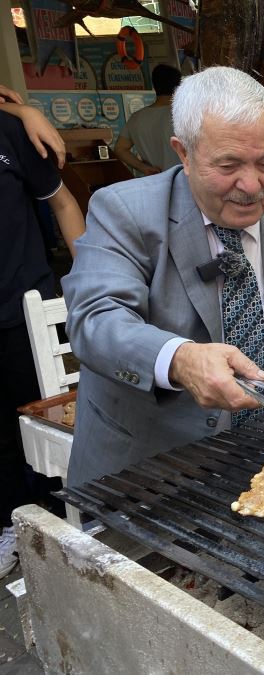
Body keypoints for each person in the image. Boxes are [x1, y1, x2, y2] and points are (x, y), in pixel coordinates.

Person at [62, 67, 264, 487]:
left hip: (258, 473)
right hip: (141, 475)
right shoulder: (124, 212)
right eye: (228, 165)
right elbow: (95, 320)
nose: (251, 185)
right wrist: (179, 358)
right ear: (184, 153)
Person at [0, 92, 85, 578]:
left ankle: (55, 524)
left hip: (23, 308)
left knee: (41, 426)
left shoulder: (13, 132)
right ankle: (13, 524)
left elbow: (64, 203)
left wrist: (95, 281)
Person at [114, 64, 182, 176]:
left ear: (154, 86)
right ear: (179, 87)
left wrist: (143, 167)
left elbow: (120, 148)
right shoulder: (183, 115)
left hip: (155, 182)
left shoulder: (136, 118)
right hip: (184, 182)